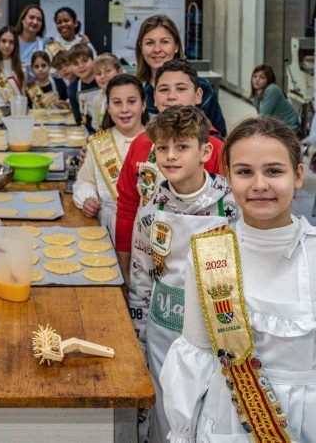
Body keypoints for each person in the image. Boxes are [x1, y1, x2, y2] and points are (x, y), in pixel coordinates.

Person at [160, 116, 315, 442]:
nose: (259, 184)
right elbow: (196, 355)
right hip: (229, 419)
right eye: (244, 171)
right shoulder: (208, 253)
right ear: (227, 177)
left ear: (298, 175)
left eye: (274, 171)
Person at [128, 106, 239, 443]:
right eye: (162, 148)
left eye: (182, 147)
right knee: (167, 415)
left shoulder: (232, 206)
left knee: (212, 416)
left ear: (205, 151)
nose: (170, 156)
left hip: (217, 332)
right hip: (165, 329)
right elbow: (142, 277)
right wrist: (140, 337)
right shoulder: (151, 210)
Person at [115, 60, 224, 288]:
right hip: (145, 262)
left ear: (198, 95)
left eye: (181, 89)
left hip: (200, 268)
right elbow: (127, 207)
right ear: (154, 98)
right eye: (164, 89)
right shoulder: (141, 144)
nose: (172, 96)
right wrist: (123, 266)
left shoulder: (214, 149)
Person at [73, 74, 147, 243]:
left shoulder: (159, 142)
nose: (124, 109)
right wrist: (87, 199)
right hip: (108, 226)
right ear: (108, 108)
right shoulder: (97, 143)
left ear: (143, 105)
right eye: (117, 103)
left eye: (131, 101)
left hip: (148, 227)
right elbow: (84, 182)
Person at [135, 14, 227, 137]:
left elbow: (220, 136)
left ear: (176, 46)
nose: (157, 49)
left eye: (164, 42)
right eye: (150, 43)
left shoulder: (202, 87)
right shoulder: (136, 90)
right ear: (141, 48)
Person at [250, 64, 300, 132]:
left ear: (268, 80)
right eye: (254, 76)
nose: (257, 80)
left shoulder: (272, 89)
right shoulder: (257, 92)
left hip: (289, 127)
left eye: (262, 78)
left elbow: (263, 115)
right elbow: (261, 117)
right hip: (275, 126)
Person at [0, 26, 24, 108]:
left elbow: (22, 96)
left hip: (15, 114)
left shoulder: (22, 69)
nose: (7, 45)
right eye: (3, 41)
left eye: (11, 42)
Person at [67, 43, 100, 132]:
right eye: (75, 63)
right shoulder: (72, 89)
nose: (81, 66)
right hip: (91, 132)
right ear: (71, 67)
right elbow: (79, 119)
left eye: (85, 61)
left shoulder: (103, 81)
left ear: (93, 60)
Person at [90, 53, 123, 131]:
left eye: (108, 71)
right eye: (98, 73)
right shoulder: (97, 99)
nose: (103, 76)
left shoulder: (129, 96)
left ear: (119, 72)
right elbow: (96, 126)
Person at [16, 5, 47, 79]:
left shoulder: (46, 43)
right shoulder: (11, 42)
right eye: (31, 17)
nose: (35, 22)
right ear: (22, 20)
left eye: (39, 19)